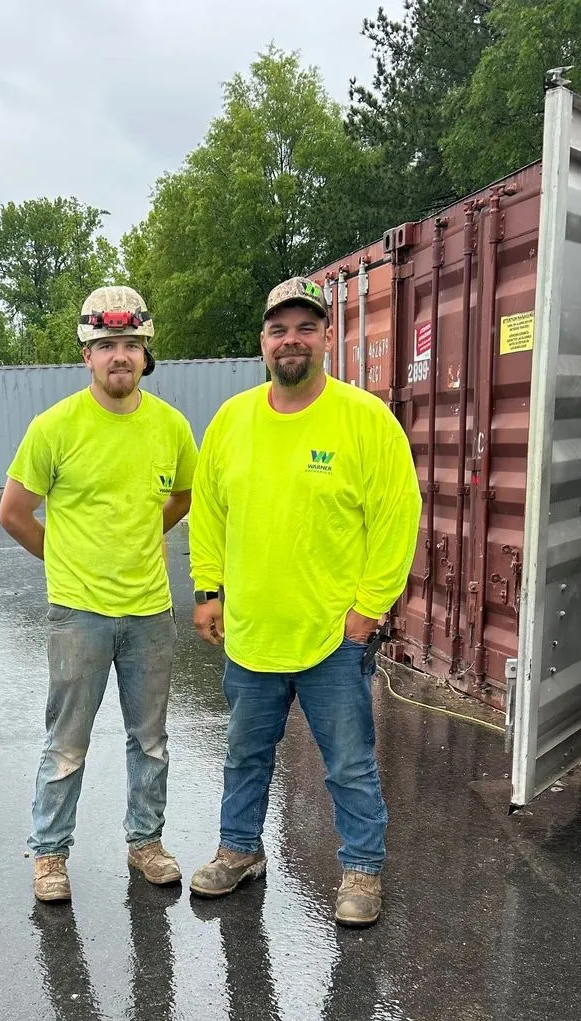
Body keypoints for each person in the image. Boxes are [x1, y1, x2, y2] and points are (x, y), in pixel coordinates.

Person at [187, 276, 421, 927]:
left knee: (348, 761)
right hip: (253, 630)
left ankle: (362, 868)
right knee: (245, 754)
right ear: (263, 341)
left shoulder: (364, 419)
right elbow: (208, 509)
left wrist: (368, 609)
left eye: (304, 326)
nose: (291, 338)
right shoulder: (232, 420)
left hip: (331, 637)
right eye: (278, 328)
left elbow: (398, 515)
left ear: (325, 336)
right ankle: (239, 850)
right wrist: (208, 589)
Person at [0, 285, 198, 903]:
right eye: (106, 344)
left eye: (130, 345)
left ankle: (146, 844)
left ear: (146, 354)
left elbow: (183, 499)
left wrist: (138, 538)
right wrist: (64, 559)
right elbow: (14, 512)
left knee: (151, 741)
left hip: (149, 614)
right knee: (67, 744)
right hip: (78, 614)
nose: (119, 356)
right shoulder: (55, 427)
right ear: (86, 355)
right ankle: (50, 856)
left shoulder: (170, 426)